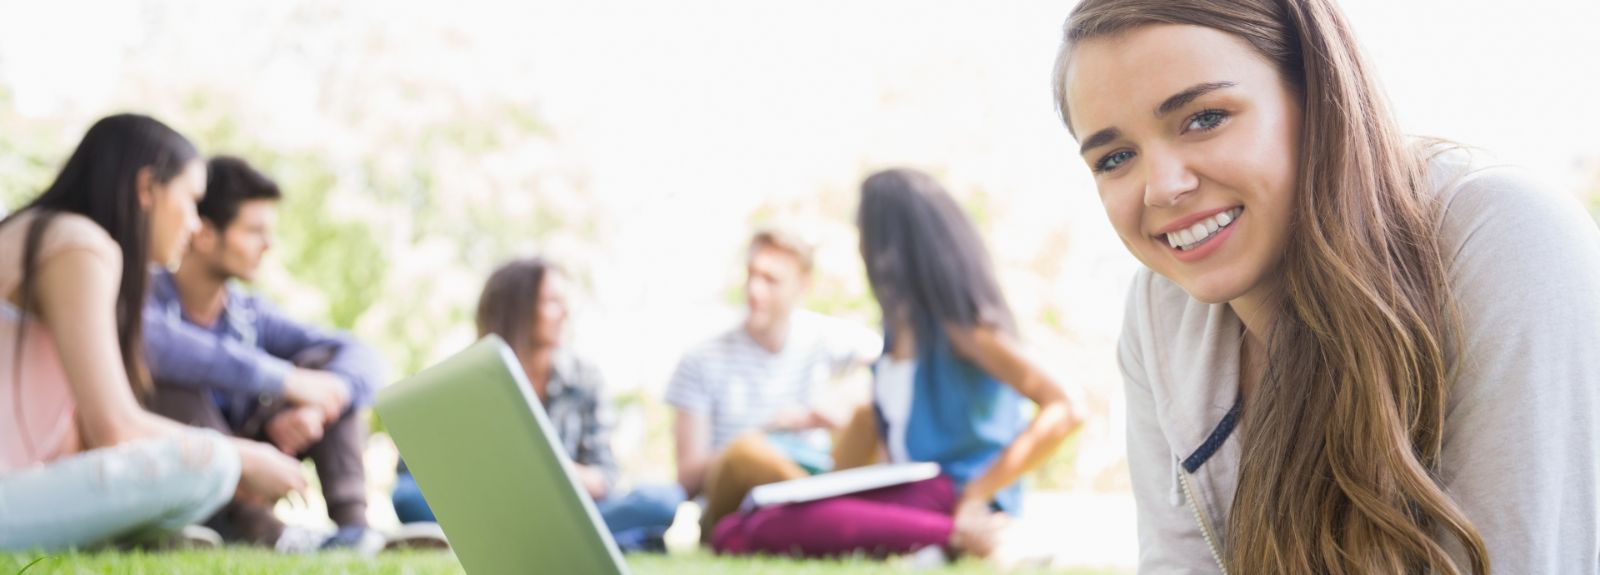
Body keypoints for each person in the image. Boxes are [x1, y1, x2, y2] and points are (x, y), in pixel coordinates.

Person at [1054, 0, 1600, 572]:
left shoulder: (1503, 235)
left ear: (1319, 97)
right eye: (1115, 157)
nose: (1162, 187)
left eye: (1206, 118)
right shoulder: (1161, 311)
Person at [710, 168, 1083, 559]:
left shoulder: (962, 330)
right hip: (908, 488)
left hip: (950, 492)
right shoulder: (895, 334)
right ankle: (947, 537)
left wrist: (977, 492)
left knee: (764, 527)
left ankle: (967, 533)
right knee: (738, 527)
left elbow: (1066, 408)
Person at [0, 114, 305, 551]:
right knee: (212, 463)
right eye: (192, 200)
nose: (197, 224)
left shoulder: (40, 232)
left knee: (203, 462)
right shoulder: (77, 243)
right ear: (147, 189)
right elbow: (115, 427)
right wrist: (247, 457)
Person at [140, 155, 389, 552]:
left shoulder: (251, 314)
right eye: (254, 231)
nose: (268, 245)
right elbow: (167, 349)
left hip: (255, 453)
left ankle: (356, 531)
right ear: (203, 234)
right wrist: (284, 381)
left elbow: (364, 355)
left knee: (326, 370)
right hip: (185, 464)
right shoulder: (142, 296)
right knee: (169, 381)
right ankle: (270, 533)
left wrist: (316, 405)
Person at [392, 257, 685, 552]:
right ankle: (558, 543)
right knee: (407, 497)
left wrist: (537, 467)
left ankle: (515, 542)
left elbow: (603, 477)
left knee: (662, 499)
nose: (565, 313)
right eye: (552, 302)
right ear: (517, 309)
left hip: (564, 513)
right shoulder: (459, 380)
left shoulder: (584, 379)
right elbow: (413, 472)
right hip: (486, 511)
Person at [665, 225, 882, 539]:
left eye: (771, 280)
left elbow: (894, 366)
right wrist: (766, 432)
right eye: (751, 275)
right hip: (737, 504)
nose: (755, 290)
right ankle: (833, 516)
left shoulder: (822, 338)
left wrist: (836, 407)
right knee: (746, 452)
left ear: (802, 285)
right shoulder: (702, 359)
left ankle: (824, 514)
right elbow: (687, 478)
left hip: (816, 473)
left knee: (869, 415)